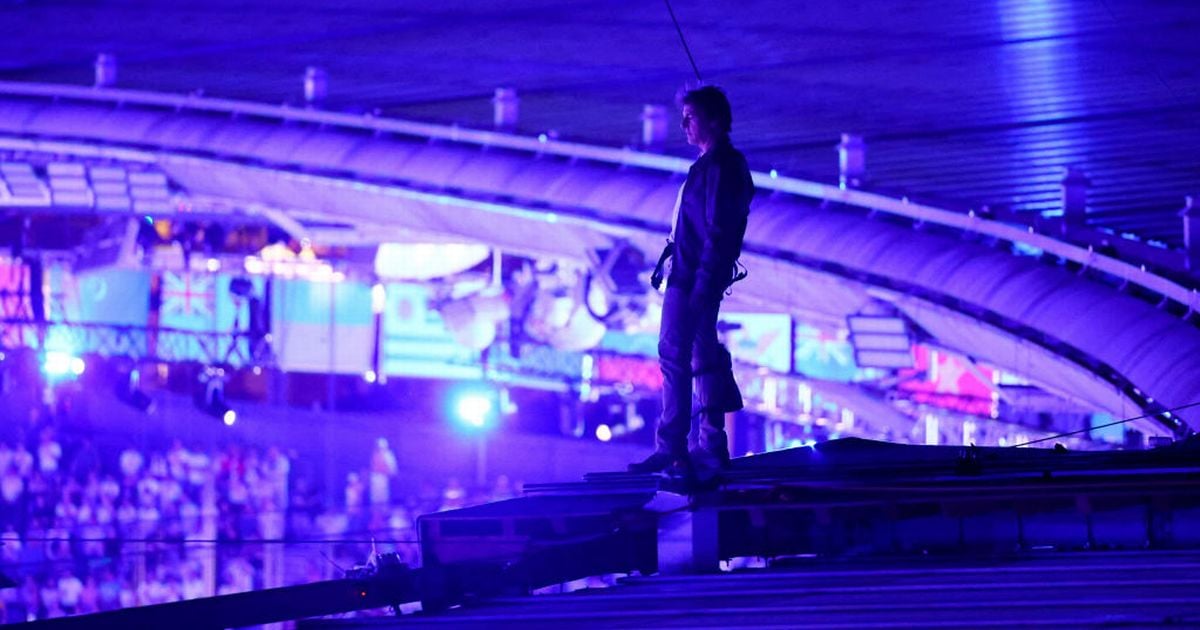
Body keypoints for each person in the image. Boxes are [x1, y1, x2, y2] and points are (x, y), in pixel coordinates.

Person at [630, 86, 754, 477]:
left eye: (691, 117)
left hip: (692, 280)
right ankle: (711, 444)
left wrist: (699, 285)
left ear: (714, 121)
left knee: (674, 357)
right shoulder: (713, 165)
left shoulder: (719, 168)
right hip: (693, 276)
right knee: (703, 359)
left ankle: (672, 448)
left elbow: (718, 232)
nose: (683, 124)